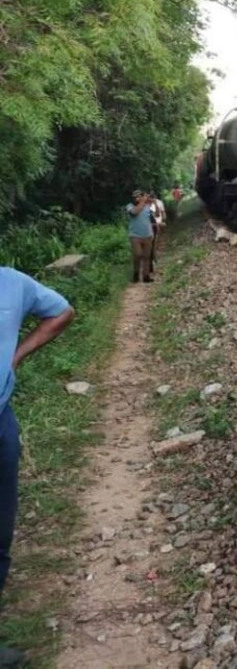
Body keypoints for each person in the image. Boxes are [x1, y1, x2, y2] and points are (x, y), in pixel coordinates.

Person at [0, 268, 74, 666]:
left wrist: (14, 357)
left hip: (0, 422)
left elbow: (61, 312)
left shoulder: (13, 283)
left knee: (0, 532)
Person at [126, 190, 154, 282]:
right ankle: (136, 273)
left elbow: (151, 217)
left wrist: (150, 200)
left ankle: (146, 276)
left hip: (147, 235)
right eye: (135, 197)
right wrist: (143, 202)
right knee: (137, 255)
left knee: (147, 256)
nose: (137, 198)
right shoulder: (130, 206)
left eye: (139, 196)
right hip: (135, 235)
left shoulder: (147, 206)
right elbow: (134, 212)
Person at [148, 191, 166, 275]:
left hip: (156, 224)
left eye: (152, 197)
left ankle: (153, 261)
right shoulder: (146, 206)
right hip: (150, 226)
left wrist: (163, 220)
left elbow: (159, 213)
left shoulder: (158, 203)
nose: (151, 198)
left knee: (154, 244)